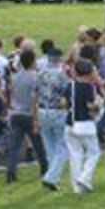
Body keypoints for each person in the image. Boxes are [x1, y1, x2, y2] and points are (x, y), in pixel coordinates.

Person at [6, 49, 48, 185]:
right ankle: (45, 168)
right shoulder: (36, 77)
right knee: (38, 144)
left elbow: (11, 93)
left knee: (14, 146)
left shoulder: (15, 76)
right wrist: (36, 119)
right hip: (29, 114)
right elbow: (35, 99)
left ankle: (11, 172)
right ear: (32, 61)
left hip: (15, 113)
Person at [64, 60, 102, 194]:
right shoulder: (89, 88)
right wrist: (98, 105)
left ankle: (77, 187)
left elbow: (64, 103)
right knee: (94, 153)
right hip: (85, 124)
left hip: (70, 124)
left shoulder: (70, 85)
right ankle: (84, 178)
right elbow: (91, 108)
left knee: (75, 155)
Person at [37, 48, 70, 192]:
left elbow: (36, 92)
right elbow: (66, 92)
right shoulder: (62, 75)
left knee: (49, 145)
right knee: (63, 146)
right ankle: (51, 177)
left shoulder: (41, 73)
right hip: (57, 110)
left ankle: (51, 176)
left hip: (42, 109)